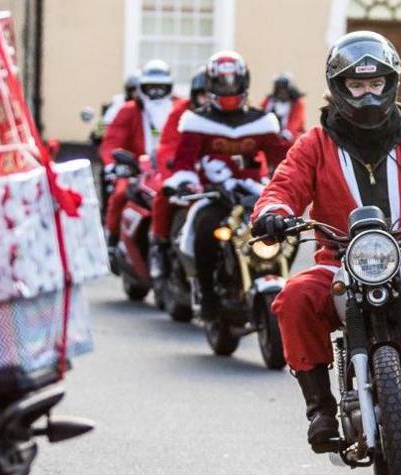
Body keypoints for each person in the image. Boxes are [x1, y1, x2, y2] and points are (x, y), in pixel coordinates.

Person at [251, 31, 401, 447]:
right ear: (338, 87)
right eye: (356, 85)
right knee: (293, 300)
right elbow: (284, 185)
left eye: (375, 84)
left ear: (391, 82)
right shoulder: (315, 141)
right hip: (337, 260)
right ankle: (320, 407)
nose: (367, 95)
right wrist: (273, 212)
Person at [162, 51, 291, 319]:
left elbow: (284, 159)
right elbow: (184, 162)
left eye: (233, 82)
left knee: (289, 229)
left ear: (245, 82)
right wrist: (186, 184)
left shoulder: (262, 121)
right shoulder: (197, 121)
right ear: (210, 85)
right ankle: (208, 295)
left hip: (255, 194)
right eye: (222, 83)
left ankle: (274, 276)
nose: (228, 89)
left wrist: (291, 183)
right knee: (205, 229)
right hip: (214, 195)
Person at [144, 67, 212, 276]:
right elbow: (168, 146)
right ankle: (159, 243)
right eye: (204, 95)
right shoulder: (181, 111)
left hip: (216, 177)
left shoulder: (235, 116)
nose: (209, 99)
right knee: (163, 196)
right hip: (185, 172)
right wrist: (176, 175)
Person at [99, 59, 179, 169]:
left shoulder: (180, 109)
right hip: (136, 171)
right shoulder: (128, 109)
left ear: (169, 87)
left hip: (173, 171)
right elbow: (111, 142)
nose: (156, 92)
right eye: (151, 88)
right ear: (141, 87)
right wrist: (113, 165)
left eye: (161, 88)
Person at [260, 73, 306, 141]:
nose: (282, 92)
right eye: (279, 89)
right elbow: (259, 113)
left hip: (289, 138)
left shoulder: (297, 103)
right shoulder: (268, 101)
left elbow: (297, 121)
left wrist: (287, 133)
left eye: (285, 89)